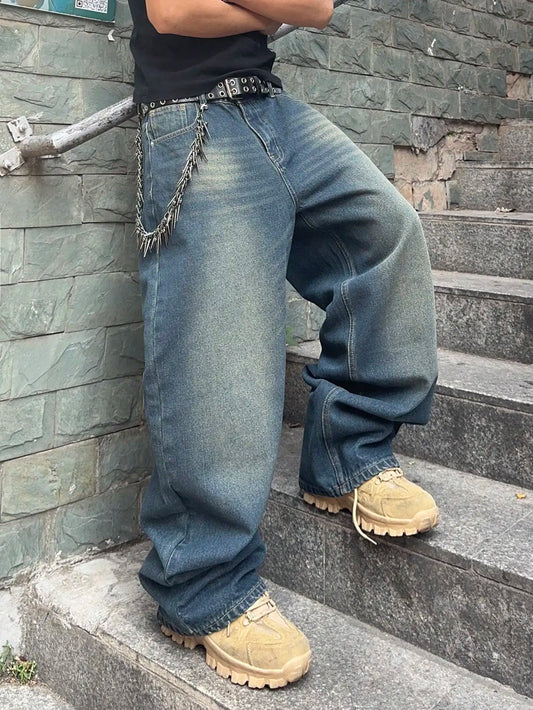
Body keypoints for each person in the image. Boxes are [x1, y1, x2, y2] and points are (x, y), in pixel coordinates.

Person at [126, 0, 440, 690]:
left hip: (268, 104)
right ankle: (203, 586)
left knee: (385, 234)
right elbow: (176, 12)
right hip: (191, 115)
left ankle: (347, 453)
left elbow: (311, 6)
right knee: (220, 350)